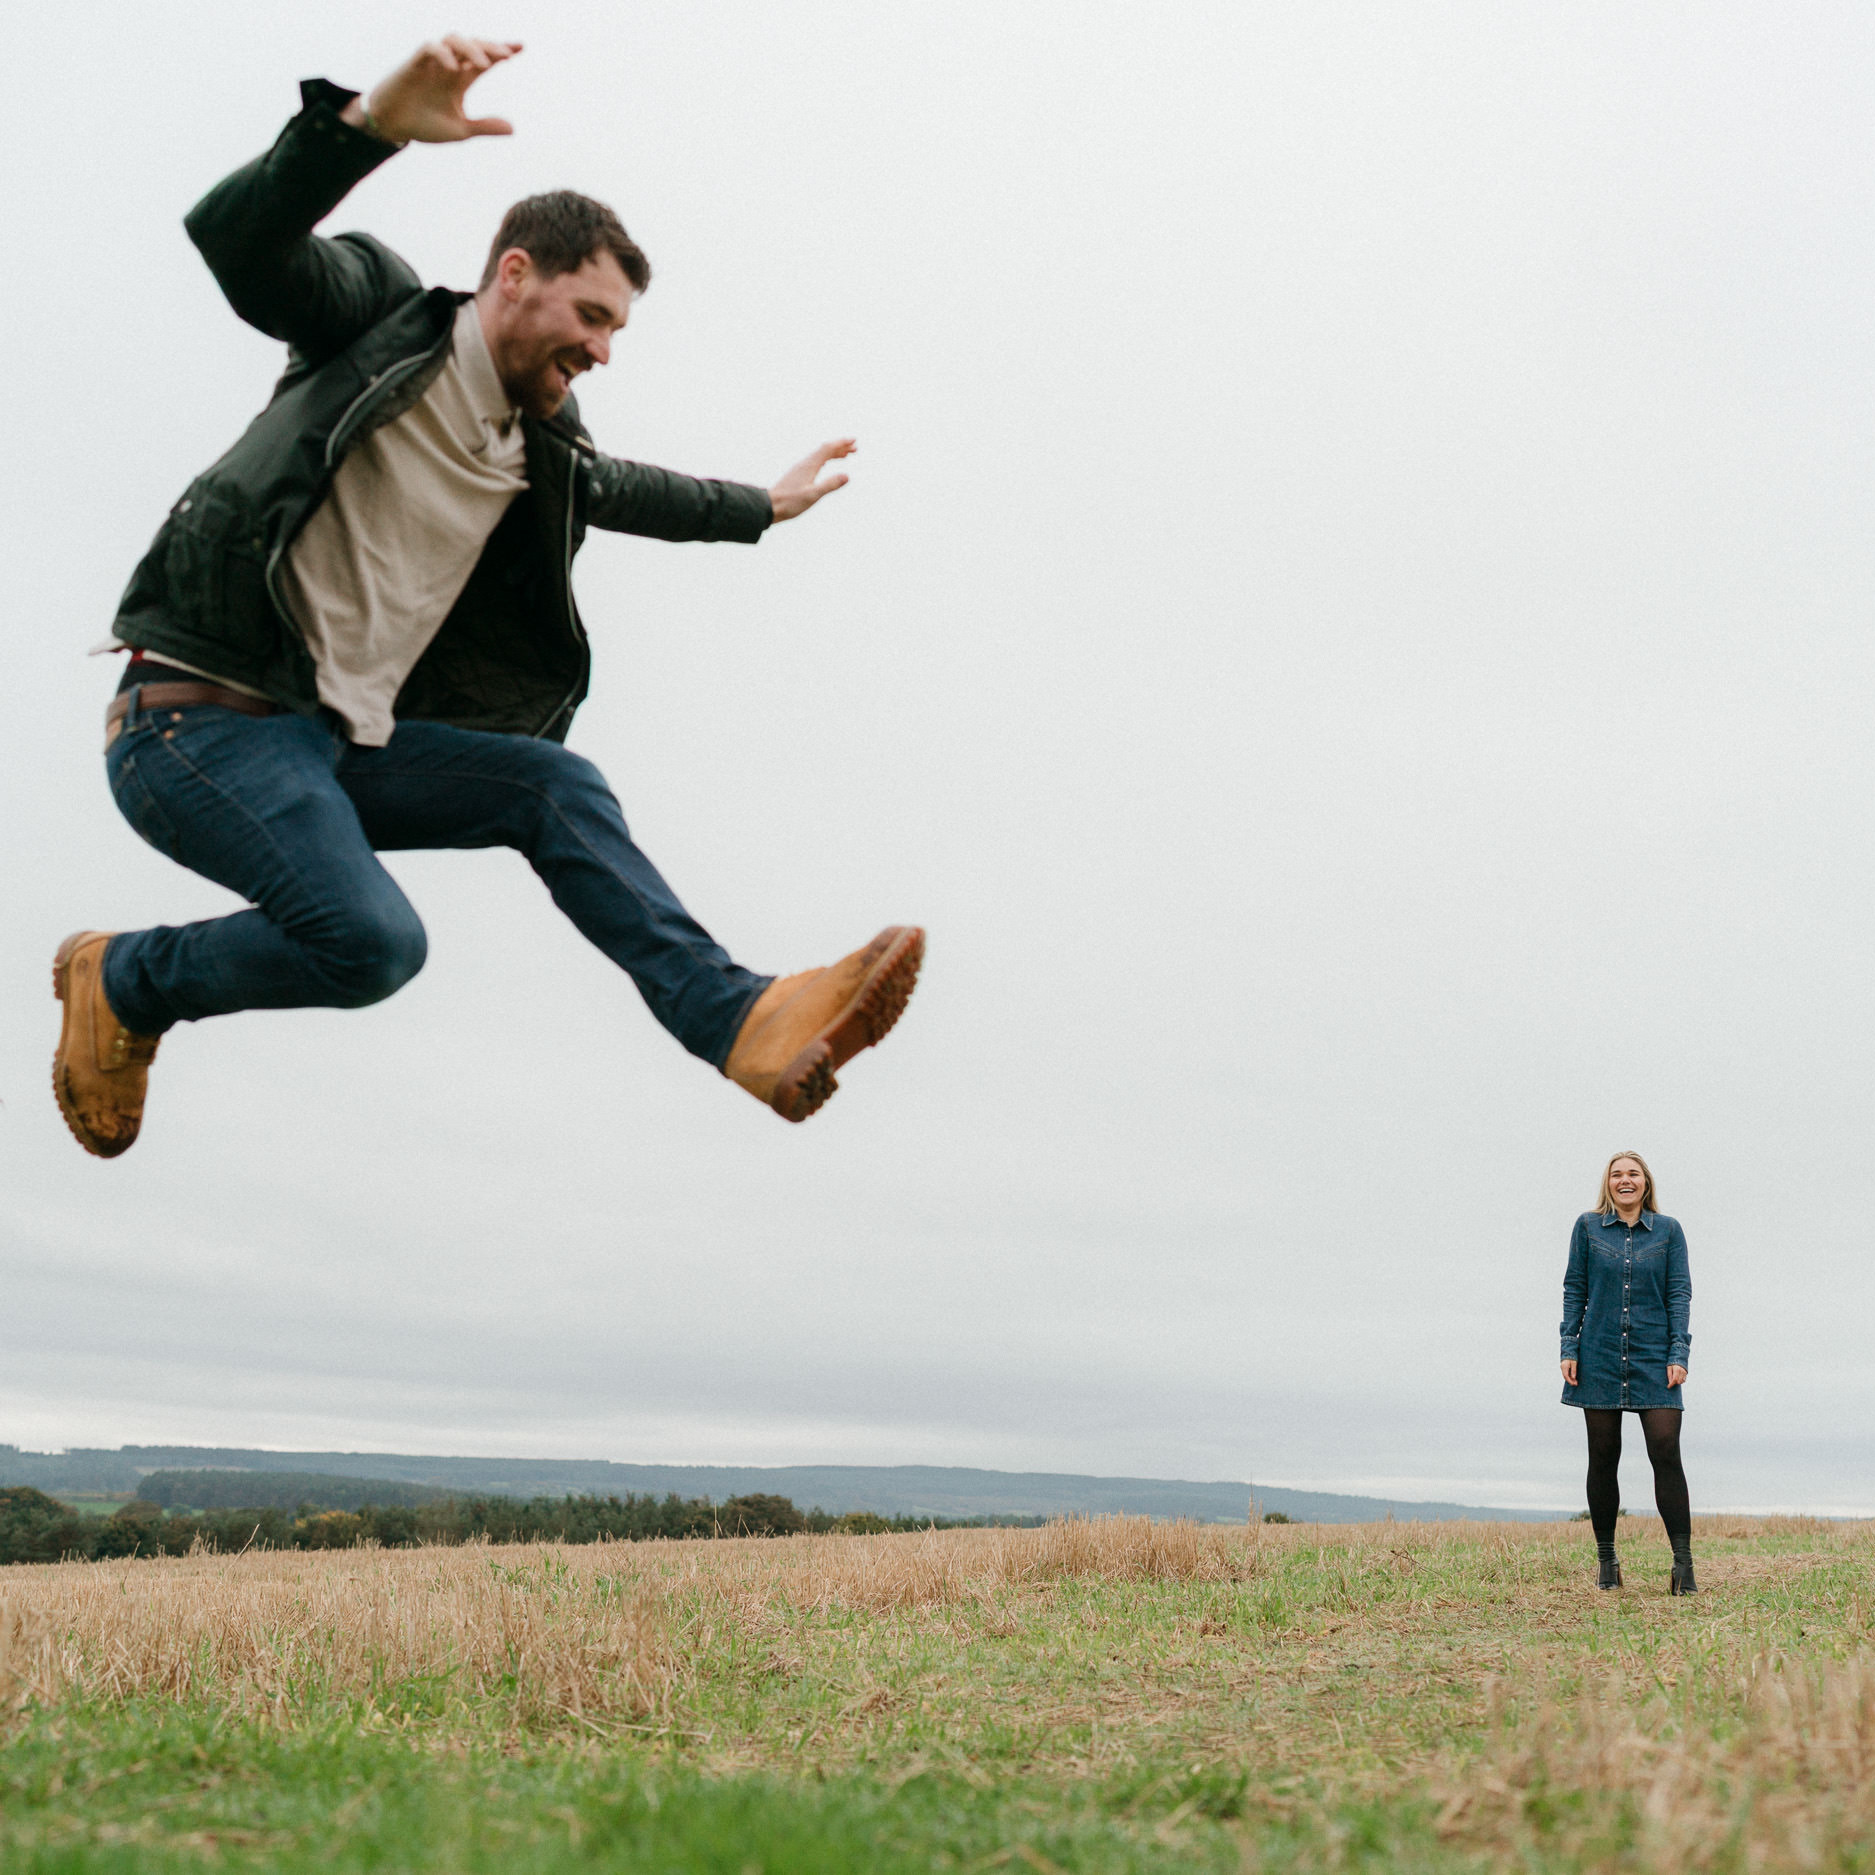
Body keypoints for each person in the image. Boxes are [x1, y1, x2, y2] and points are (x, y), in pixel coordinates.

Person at [53, 36, 924, 1159]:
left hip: (324, 747)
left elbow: (624, 489)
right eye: (593, 316)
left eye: (617, 329)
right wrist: (362, 128)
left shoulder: (541, 445)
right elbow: (239, 240)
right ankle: (121, 977)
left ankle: (736, 1016)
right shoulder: (376, 320)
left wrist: (762, 504)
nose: (604, 350)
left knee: (553, 786)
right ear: (514, 274)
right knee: (371, 944)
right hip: (194, 725)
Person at [1559, 1151, 1696, 1594]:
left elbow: (1678, 1293)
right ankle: (1606, 1561)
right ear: (1608, 1184)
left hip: (1655, 1355)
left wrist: (1679, 1351)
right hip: (1597, 1353)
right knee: (1603, 1456)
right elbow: (1574, 1289)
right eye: (1617, 1175)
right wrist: (1568, 1345)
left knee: (1665, 1449)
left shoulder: (1670, 1231)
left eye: (1632, 1174)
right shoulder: (1587, 1227)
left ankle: (1683, 1565)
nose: (1625, 1180)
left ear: (1646, 1183)